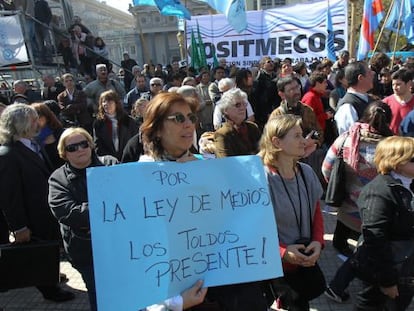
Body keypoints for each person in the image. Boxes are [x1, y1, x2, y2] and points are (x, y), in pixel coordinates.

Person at [48, 127, 207, 311]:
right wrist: (110, 209)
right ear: (63, 153)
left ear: (90, 145)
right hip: (87, 251)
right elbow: (67, 212)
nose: (79, 150)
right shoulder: (58, 179)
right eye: (72, 147)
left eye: (83, 144)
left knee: (130, 291)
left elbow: (132, 194)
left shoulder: (110, 164)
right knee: (99, 296)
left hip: (122, 247)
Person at [139, 92, 272, 310]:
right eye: (178, 119)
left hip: (228, 286)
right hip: (181, 294)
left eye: (191, 118)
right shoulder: (140, 179)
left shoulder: (208, 167)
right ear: (157, 128)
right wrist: (175, 303)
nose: (189, 125)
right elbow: (142, 256)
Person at [0, 104, 75, 302]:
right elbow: (9, 196)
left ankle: (51, 275)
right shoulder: (8, 154)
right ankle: (50, 291)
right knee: (39, 251)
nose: (38, 122)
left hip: (45, 212)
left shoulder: (34, 143)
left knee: (50, 248)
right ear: (21, 124)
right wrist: (19, 227)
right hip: (31, 218)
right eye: (34, 119)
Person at [322, 101, 394, 302]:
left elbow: (326, 168)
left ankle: (341, 284)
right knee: (367, 248)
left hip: (348, 208)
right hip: (378, 213)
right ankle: (339, 286)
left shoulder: (346, 138)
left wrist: (346, 191)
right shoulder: (391, 147)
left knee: (365, 246)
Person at [258, 114, 325, 310]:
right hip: (277, 267)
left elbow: (316, 211)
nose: (304, 141)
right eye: (296, 136)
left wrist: (318, 242)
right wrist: (282, 251)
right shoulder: (262, 179)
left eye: (302, 135)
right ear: (277, 142)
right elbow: (253, 229)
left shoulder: (306, 171)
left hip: (304, 260)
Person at [353, 136, 414, 310]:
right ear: (397, 162)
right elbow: (375, 240)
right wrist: (387, 282)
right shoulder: (378, 192)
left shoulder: (409, 184)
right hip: (385, 272)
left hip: (405, 267)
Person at [213, 88, 261, 157]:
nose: (243, 108)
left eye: (244, 104)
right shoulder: (222, 134)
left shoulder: (253, 127)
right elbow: (226, 162)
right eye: (237, 105)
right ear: (226, 110)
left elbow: (266, 150)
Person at [93, 90, 138, 161]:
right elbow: (97, 145)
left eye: (109, 102)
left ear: (116, 103)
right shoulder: (98, 123)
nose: (106, 104)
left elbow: (135, 141)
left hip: (128, 159)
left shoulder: (129, 121)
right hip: (109, 162)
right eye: (104, 102)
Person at [334, 61, 375, 135]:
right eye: (369, 72)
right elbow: (349, 138)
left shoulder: (368, 99)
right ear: (361, 78)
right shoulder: (347, 107)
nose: (373, 73)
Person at [31, 102, 65, 170]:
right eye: (32, 119)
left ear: (46, 116)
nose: (35, 121)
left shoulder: (61, 133)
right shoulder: (29, 137)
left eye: (38, 117)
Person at [382, 68, 414, 134]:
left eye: (398, 84)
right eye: (393, 84)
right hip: (389, 141)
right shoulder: (385, 102)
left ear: (409, 84)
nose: (394, 87)